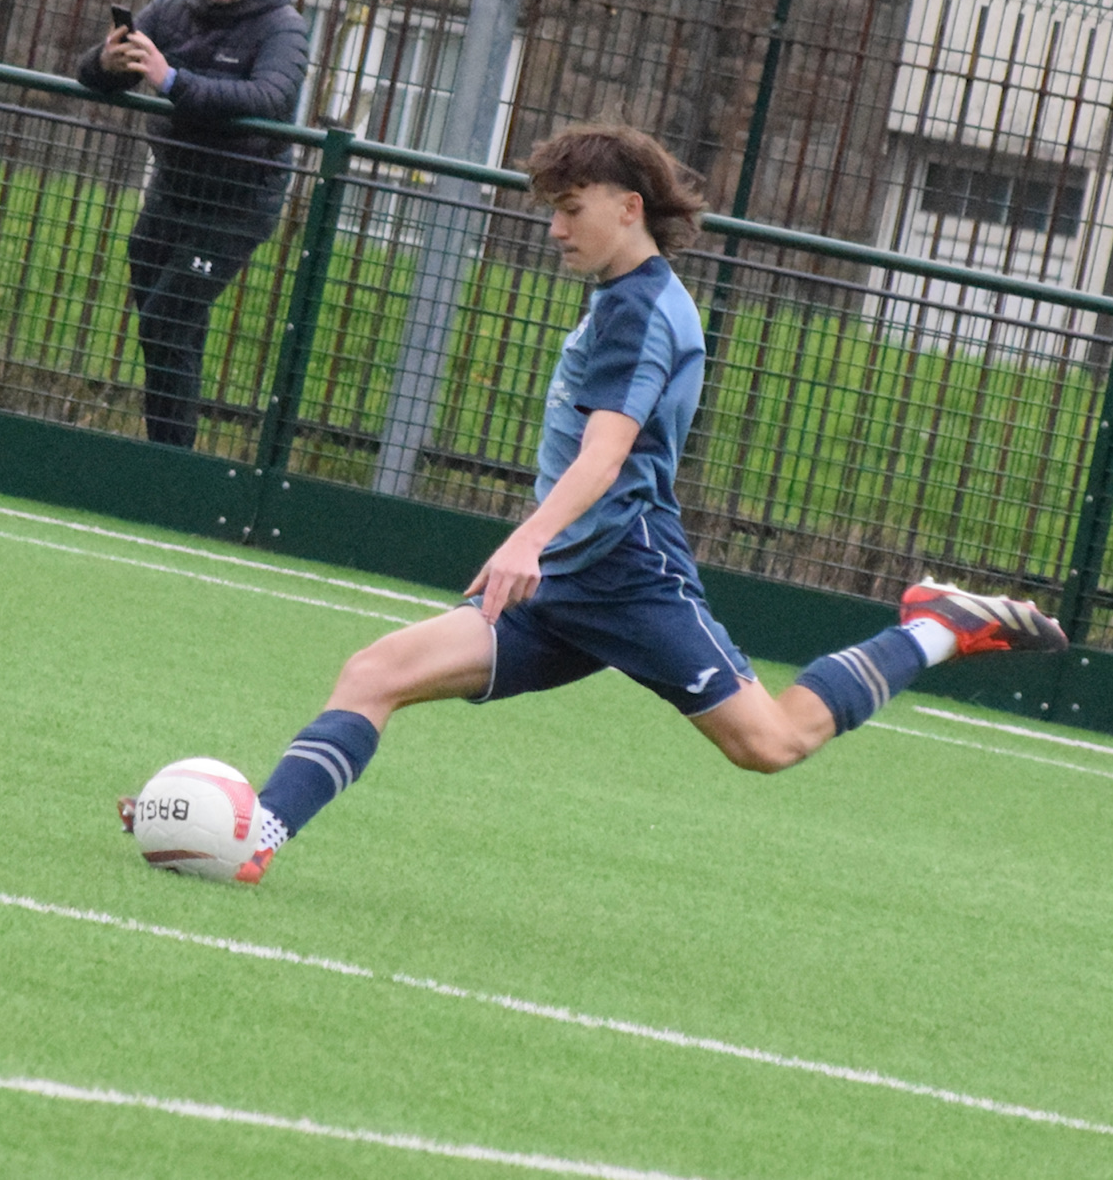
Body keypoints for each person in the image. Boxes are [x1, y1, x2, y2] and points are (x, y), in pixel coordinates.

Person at [124, 124, 1065, 882]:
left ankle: (936, 623)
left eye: (571, 210)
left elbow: (607, 455)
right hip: (563, 585)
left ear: (628, 206)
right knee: (375, 673)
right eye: (552, 212)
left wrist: (529, 538)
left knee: (771, 744)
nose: (556, 228)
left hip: (625, 577)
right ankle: (252, 838)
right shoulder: (624, 295)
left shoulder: (639, 311)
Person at [77, 0, 309, 450]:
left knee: (166, 317)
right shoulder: (170, 8)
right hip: (173, 188)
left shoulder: (283, 26)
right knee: (167, 326)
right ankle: (170, 459)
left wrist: (173, 81)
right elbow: (92, 75)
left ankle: (169, 460)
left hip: (237, 203)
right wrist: (108, 63)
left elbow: (269, 98)